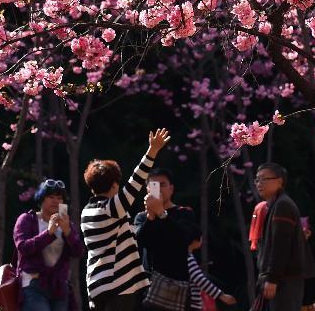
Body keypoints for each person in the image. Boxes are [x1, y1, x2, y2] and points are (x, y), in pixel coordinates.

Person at [81, 128, 170, 311]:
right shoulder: (112, 208)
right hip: (118, 288)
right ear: (114, 185)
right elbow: (136, 181)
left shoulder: (86, 212)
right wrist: (152, 151)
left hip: (97, 287)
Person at [253, 163, 315, 311]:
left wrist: (272, 278)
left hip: (284, 281)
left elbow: (280, 246)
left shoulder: (283, 205)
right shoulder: (275, 205)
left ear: (279, 181)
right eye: (257, 180)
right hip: (280, 280)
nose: (259, 184)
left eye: (264, 179)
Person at [132, 168, 198, 308]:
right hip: (149, 288)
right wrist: (151, 216)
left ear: (171, 188)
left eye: (163, 184)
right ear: (147, 189)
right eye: (154, 185)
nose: (159, 189)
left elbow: (183, 239)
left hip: (176, 285)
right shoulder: (141, 217)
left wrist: (162, 213)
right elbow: (138, 242)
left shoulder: (184, 213)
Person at [14, 179, 84, 311]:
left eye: (59, 198)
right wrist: (48, 233)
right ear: (41, 198)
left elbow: (78, 251)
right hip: (33, 284)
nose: (56, 201)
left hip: (59, 286)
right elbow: (23, 247)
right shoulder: (27, 219)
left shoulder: (66, 224)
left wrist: (68, 232)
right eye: (50, 197)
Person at [186, 239, 234, 311]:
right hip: (189, 303)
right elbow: (198, 278)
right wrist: (222, 296)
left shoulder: (187, 255)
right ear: (195, 240)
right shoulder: (188, 257)